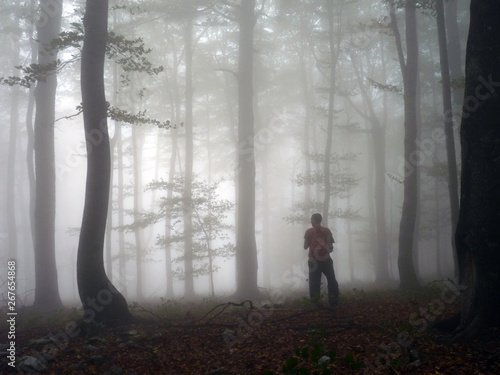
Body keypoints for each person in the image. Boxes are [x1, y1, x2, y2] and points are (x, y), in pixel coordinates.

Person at [303, 213, 339, 307]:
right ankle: (334, 301)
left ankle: (315, 302)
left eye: (311, 219)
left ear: (314, 220)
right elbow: (331, 247)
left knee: (314, 282)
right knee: (331, 280)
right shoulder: (327, 231)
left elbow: (305, 246)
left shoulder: (309, 231)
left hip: (313, 260)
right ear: (320, 220)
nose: (310, 221)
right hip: (326, 260)